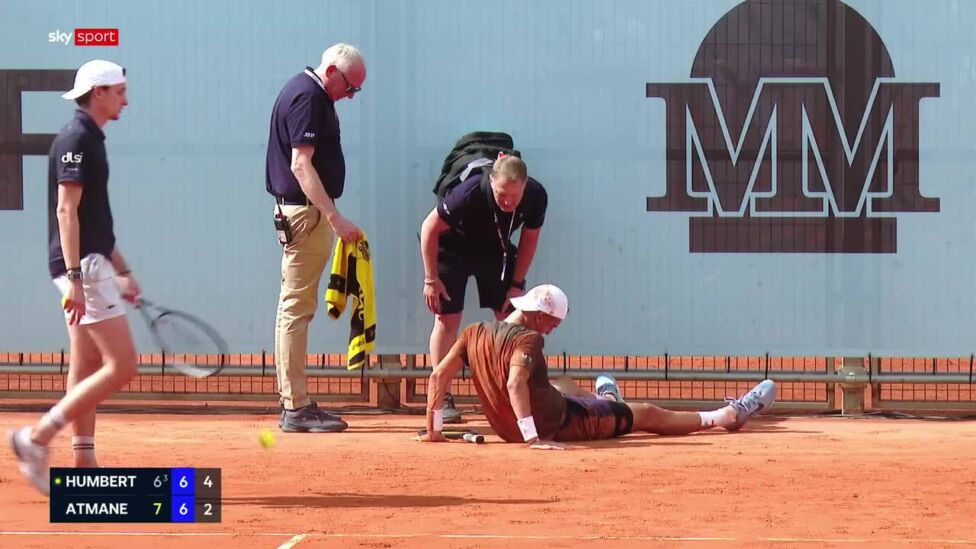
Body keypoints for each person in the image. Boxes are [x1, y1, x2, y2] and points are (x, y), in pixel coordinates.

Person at [418, 284, 776, 447]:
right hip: (561, 425)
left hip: (512, 426)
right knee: (647, 413)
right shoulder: (529, 340)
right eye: (552, 322)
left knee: (564, 382)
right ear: (537, 315)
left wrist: (434, 429)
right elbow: (515, 384)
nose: (553, 329)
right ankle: (725, 416)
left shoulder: (474, 331)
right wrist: (533, 439)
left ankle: (607, 399)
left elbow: (439, 374)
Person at [8, 59, 140, 493]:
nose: (125, 98)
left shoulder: (90, 139)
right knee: (122, 366)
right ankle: (37, 437)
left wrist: (123, 269)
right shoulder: (77, 139)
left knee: (84, 360)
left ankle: (83, 460)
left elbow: (94, 218)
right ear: (98, 92)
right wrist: (77, 279)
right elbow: (67, 211)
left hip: (91, 264)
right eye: (119, 91)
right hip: (82, 266)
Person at [266, 43, 366, 433]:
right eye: (351, 88)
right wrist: (333, 216)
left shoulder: (308, 92)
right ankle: (295, 406)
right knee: (296, 308)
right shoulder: (308, 96)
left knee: (295, 307)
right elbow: (300, 164)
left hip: (304, 213)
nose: (351, 96)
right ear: (333, 73)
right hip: (305, 215)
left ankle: (295, 401)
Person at [419, 154, 547, 423]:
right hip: (453, 248)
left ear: (525, 185)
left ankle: (523, 393)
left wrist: (516, 285)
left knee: (512, 318)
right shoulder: (469, 193)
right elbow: (429, 227)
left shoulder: (537, 196)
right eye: (502, 194)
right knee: (447, 320)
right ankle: (443, 398)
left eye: (515, 195)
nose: (508, 202)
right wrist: (431, 280)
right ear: (491, 182)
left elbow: (529, 241)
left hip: (495, 253)